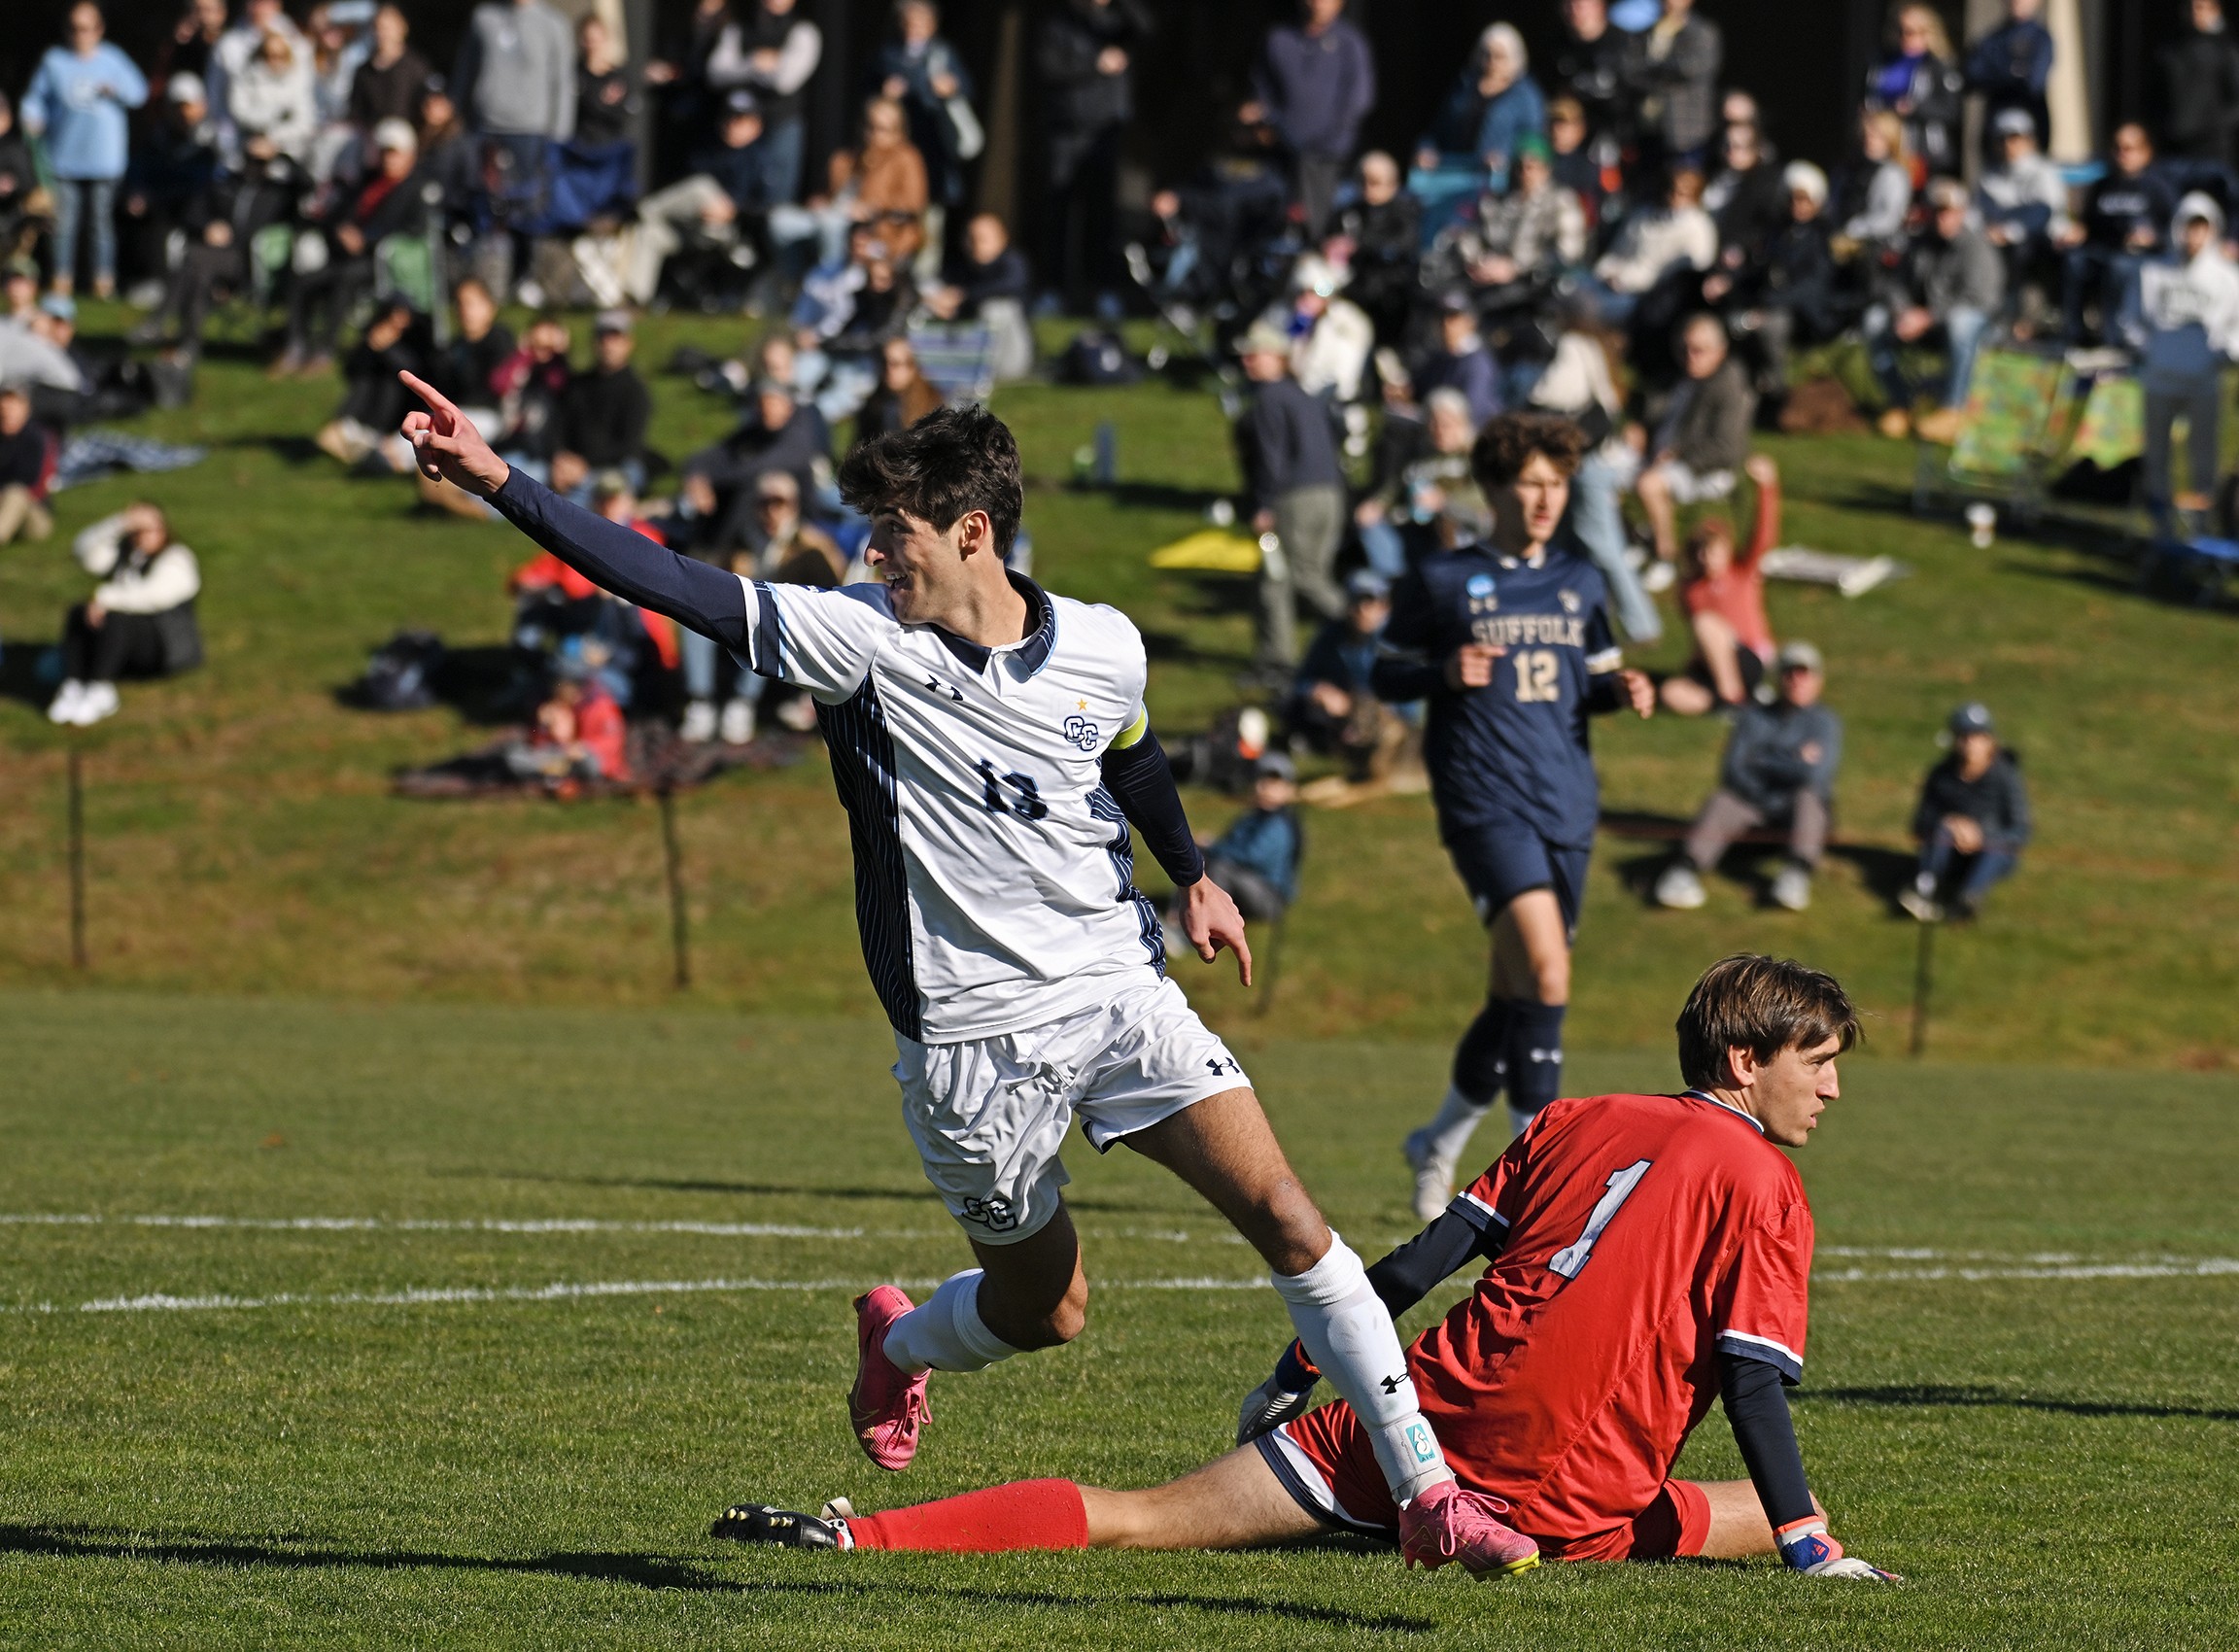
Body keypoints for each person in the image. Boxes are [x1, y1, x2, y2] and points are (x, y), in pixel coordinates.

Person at [400, 383, 1546, 1578]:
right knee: (1048, 1310)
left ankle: (1430, 1495)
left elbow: (1133, 749)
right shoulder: (857, 641)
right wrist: (499, 479)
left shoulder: (1104, 641)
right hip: (970, 1039)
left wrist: (1195, 875)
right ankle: (903, 1343)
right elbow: (661, 576)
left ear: (970, 530)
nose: (869, 551)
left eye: (889, 529)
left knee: (1294, 1220)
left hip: (1118, 991)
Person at [717, 956, 1899, 1591]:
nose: (1834, 1089)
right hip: (1551, 1495)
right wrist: (1806, 1543)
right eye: (1821, 1061)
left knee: (1137, 1517)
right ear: (1747, 1059)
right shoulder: (1768, 1185)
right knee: (1761, 1512)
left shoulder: (1576, 1112)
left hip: (1399, 1439)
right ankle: (1762, 1533)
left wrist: (1299, 1362)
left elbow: (1414, 1264)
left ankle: (856, 1538)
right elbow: (1750, 1383)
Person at [1376, 413, 1655, 1223]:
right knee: (1549, 972)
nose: (1545, 499)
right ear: (1494, 487)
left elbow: (1591, 679)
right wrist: (1441, 671)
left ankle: (1435, 1141)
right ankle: (1544, 1179)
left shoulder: (1581, 579)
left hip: (1566, 800)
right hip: (1483, 799)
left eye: (1557, 485)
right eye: (1530, 483)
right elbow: (1387, 673)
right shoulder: (1443, 578)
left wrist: (1624, 689)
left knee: (1515, 996)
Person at [1656, 641, 1841, 912]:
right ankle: (1684, 871)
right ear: (1779, 678)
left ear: (1817, 680)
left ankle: (1796, 875)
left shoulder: (1825, 722)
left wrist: (1765, 759)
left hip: (1794, 809)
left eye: (1805, 674)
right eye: (1790, 673)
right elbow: (1734, 770)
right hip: (1752, 804)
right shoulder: (1754, 717)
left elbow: (1815, 775)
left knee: (1809, 798)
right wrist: (1793, 760)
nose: (1796, 681)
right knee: (1723, 800)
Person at [1236, 319, 1348, 685]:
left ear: (1278, 357)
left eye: (1255, 355)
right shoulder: (1302, 394)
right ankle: (1285, 658)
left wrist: (1263, 505)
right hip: (1329, 496)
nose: (1247, 361)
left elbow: (1272, 456)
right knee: (1304, 575)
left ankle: (1365, 629)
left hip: (1293, 501)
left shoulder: (1268, 397)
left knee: (1285, 576)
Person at [276, 119, 425, 377]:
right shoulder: (367, 181)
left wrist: (366, 240)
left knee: (344, 280)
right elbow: (339, 212)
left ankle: (325, 350)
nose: (389, 159)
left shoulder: (416, 189)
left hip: (379, 263)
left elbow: (413, 229)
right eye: (384, 152)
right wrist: (343, 230)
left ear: (410, 155)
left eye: (395, 153)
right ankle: (296, 344)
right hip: (344, 256)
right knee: (302, 280)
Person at [20, 4, 150, 299]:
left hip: (105, 160)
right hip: (64, 158)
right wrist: (32, 116)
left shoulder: (113, 59)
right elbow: (34, 98)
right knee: (64, 225)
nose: (80, 35)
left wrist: (114, 89)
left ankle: (102, 282)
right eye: (74, 28)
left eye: (87, 28)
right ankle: (61, 280)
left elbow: (139, 93)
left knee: (100, 224)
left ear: (99, 29)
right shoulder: (54, 61)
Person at [1865, 179, 2004, 443]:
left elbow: (1981, 299)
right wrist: (1903, 311)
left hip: (1977, 327)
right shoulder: (1918, 243)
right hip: (1924, 322)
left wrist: (1928, 317)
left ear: (1962, 212)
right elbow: (1894, 283)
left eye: (1948, 211)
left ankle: (1953, 409)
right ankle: (1901, 403)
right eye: (1937, 211)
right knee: (1874, 320)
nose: (1942, 218)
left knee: (1962, 322)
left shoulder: (1977, 247)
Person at [1038, 0, 1154, 312]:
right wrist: (1094, 65)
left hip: (1106, 130)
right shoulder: (1059, 24)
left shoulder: (1115, 24)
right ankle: (1055, 290)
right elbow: (1048, 68)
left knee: (1103, 215)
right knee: (1061, 214)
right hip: (1065, 131)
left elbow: (1146, 29)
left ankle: (1104, 290)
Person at [48, 502, 203, 728]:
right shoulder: (127, 556)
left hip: (166, 647)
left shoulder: (177, 558)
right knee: (78, 612)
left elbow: (154, 595)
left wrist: (104, 598)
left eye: (148, 529)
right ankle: (74, 684)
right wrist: (120, 523)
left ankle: (100, 688)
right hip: (127, 644)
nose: (141, 537)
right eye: (136, 531)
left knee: (115, 617)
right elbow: (84, 550)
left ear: (164, 530)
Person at [2139, 193, 2239, 533]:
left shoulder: (2227, 277)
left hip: (2202, 382)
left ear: (2212, 231)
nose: (2193, 237)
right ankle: (2160, 527)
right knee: (2156, 457)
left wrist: (2223, 354)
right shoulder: (2154, 273)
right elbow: (2133, 320)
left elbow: (2236, 328)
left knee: (2203, 459)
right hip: (2159, 378)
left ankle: (2200, 526)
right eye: (2188, 228)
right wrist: (2150, 350)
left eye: (2201, 229)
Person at [1634, 312, 1757, 583]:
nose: (1690, 355)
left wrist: (1679, 456)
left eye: (1699, 350)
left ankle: (1664, 555)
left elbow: (1727, 448)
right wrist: (1639, 430)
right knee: (1598, 473)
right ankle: (1635, 538)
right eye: (1684, 348)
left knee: (1649, 485)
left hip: (1704, 469)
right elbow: (1651, 412)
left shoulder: (1729, 385)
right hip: (1658, 456)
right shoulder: (1677, 377)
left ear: (1719, 351)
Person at [1659, 453, 1781, 713]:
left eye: (1713, 550)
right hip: (1714, 665)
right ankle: (1729, 704)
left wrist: (1766, 487)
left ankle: (1733, 697)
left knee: (1705, 622)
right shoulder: (1691, 589)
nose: (1707, 558)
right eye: (1701, 552)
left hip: (1750, 655)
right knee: (1671, 693)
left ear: (1726, 549)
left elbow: (1764, 534)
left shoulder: (1742, 572)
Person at [625, 87, 769, 307]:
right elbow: (683, 192)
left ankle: (641, 210)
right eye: (729, 118)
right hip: (689, 226)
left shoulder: (760, 160)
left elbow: (765, 207)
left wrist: (733, 211)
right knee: (649, 233)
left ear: (756, 126)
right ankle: (635, 302)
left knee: (702, 187)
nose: (732, 125)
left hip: (729, 234)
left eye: (740, 120)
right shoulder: (706, 149)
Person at [1246, 0, 1375, 241]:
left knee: (1317, 231)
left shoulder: (1351, 43)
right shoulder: (1278, 38)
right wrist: (1262, 122)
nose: (1318, 4)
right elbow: (1261, 90)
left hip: (1326, 159)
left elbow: (1359, 99)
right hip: (1280, 155)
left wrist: (1329, 138)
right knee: (1270, 224)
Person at [1900, 703, 2030, 921]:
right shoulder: (1941, 775)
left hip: (1992, 855)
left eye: (1978, 736)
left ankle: (1968, 899)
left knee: (1996, 848)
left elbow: (2021, 830)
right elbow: (1920, 823)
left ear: (1989, 740)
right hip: (1952, 853)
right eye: (1964, 736)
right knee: (1942, 830)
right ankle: (1924, 888)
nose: (1971, 744)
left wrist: (1982, 837)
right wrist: (1950, 823)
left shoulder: (2006, 776)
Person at [2057, 125, 2175, 346]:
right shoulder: (2104, 184)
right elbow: (2089, 224)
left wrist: (2153, 237)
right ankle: (2075, 333)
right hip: (2104, 249)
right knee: (2075, 261)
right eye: (2117, 148)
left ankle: (2114, 339)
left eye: (2129, 148)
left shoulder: (2158, 187)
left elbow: (2175, 228)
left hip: (2142, 257)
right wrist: (2077, 231)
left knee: (2118, 267)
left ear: (2145, 151)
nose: (2122, 153)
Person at [1292, 569, 1412, 782]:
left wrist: (1358, 705)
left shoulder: (1398, 641)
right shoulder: (1331, 635)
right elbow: (1301, 681)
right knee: (1293, 707)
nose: (1363, 610)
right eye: (1356, 602)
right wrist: (1317, 690)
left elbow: (1407, 709)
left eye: (1371, 603)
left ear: (1385, 607)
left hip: (1382, 723)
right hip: (1341, 714)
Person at [705, 0, 823, 208]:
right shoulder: (738, 28)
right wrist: (752, 63)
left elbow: (785, 81)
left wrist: (746, 70)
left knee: (774, 201)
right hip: (738, 126)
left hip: (780, 126)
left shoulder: (803, 31)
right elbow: (716, 73)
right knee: (727, 197)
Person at [1355, 385, 1480, 580]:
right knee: (1371, 524)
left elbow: (1485, 497)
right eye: (1434, 424)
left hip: (1458, 529)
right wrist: (1377, 504)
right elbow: (1394, 488)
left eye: (1447, 424)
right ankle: (1395, 584)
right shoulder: (1419, 457)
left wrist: (1444, 500)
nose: (1440, 431)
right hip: (1413, 528)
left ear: (1463, 424)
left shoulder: (1472, 457)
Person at [872, 0, 977, 231]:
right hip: (899, 140)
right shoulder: (888, 54)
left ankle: (926, 265)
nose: (914, 30)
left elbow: (967, 89)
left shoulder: (942, 54)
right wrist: (885, 94)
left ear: (931, 26)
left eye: (920, 24)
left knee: (931, 212)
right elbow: (867, 93)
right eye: (909, 24)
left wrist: (950, 88)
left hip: (933, 140)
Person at [1419, 24, 1545, 195]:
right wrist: (1427, 149)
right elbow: (1438, 128)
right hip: (1455, 176)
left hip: (1502, 183)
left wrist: (1506, 155)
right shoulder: (1464, 86)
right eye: (1487, 54)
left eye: (1500, 56)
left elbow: (1533, 139)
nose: (1492, 61)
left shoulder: (1526, 95)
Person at [453, 0, 575, 166]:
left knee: (528, 191)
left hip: (532, 130)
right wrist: (455, 115)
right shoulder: (484, 17)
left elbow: (562, 81)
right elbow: (465, 69)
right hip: (486, 125)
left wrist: (560, 134)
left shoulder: (553, 22)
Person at [1189, 753, 1303, 926]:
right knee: (1198, 858)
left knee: (1221, 868)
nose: (1263, 787)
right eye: (1260, 780)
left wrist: (1213, 847)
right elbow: (1232, 844)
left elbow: (1252, 857)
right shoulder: (1253, 816)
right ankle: (1183, 915)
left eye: (1272, 782)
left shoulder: (1280, 824)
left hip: (1270, 896)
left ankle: (1206, 925)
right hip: (1246, 882)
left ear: (1288, 789)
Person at [551, 311, 651, 500]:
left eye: (615, 338)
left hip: (615, 465)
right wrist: (561, 459)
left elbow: (628, 446)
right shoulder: (577, 386)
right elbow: (559, 427)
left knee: (605, 487)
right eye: (603, 337)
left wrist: (585, 464)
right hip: (572, 464)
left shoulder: (636, 392)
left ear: (628, 343)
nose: (608, 344)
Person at [1976, 108, 2073, 297]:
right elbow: (1976, 214)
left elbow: (2047, 213)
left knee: (2023, 247)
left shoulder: (2044, 171)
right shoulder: (1989, 177)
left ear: (2030, 140)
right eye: (2001, 138)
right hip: (1996, 245)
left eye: (2014, 137)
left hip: (2042, 247)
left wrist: (2009, 232)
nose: (2008, 144)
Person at [1331, 152, 1421, 347]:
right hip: (1350, 286)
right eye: (1362, 180)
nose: (1367, 188)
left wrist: (1359, 245)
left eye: (1374, 182)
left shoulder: (1405, 211)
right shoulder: (1351, 211)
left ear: (1392, 183)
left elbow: (1402, 244)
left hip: (1388, 292)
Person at [1866, 4, 1964, 178]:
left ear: (1929, 33)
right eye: (1900, 30)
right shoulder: (1881, 64)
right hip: (1886, 150)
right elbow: (1868, 97)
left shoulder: (1940, 67)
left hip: (1926, 154)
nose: (1905, 37)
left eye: (1912, 31)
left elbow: (1952, 111)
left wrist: (1914, 108)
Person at [1623, 0, 1721, 173]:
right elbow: (1630, 72)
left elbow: (1686, 69)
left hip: (1686, 136)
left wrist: (1651, 70)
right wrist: (1660, 73)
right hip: (1647, 131)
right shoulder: (1646, 33)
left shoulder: (1703, 32)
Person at [1964, 0, 2054, 157]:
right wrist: (2014, 73)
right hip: (1994, 131)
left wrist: (1997, 74)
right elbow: (1972, 77)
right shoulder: (1991, 39)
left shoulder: (2041, 39)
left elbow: (2034, 83)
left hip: (2032, 128)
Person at [2159, 0, 2239, 173]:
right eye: (2191, 7)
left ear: (2215, 11)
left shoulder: (2226, 49)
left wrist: (2215, 125)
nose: (2195, 12)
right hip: (2173, 146)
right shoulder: (2169, 50)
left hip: (2212, 147)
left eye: (2201, 7)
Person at [228, 22, 319, 165]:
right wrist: (266, 124)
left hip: (288, 150)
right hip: (248, 143)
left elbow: (305, 122)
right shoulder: (247, 77)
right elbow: (239, 111)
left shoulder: (298, 80)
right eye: (269, 55)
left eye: (281, 55)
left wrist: (273, 139)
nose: (275, 61)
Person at [1415, 292, 1502, 426]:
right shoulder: (1438, 358)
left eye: (1453, 317)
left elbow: (1472, 413)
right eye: (1441, 317)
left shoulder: (1477, 364)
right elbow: (1420, 392)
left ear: (1470, 322)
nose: (1446, 324)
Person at [349, 4, 431, 131]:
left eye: (387, 28)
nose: (382, 33)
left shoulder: (416, 67)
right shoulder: (363, 72)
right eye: (377, 28)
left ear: (402, 28)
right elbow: (356, 113)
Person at [853, 337, 944, 445]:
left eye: (895, 364)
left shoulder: (932, 406)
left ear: (912, 367)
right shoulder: (873, 405)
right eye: (884, 362)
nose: (888, 369)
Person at [0, 384, 55, 547]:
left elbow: (33, 484)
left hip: (34, 515)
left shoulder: (37, 438)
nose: (6, 411)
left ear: (25, 409)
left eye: (12, 406)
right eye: (4, 406)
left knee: (16, 494)